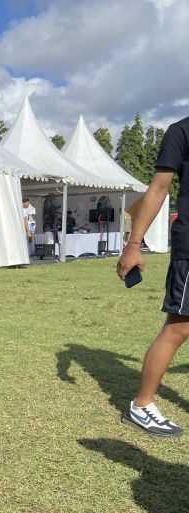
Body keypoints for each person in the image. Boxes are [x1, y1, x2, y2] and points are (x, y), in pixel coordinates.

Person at [117, 115, 189, 438]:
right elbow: (158, 189)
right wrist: (134, 244)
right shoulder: (181, 132)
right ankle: (142, 404)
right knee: (179, 326)